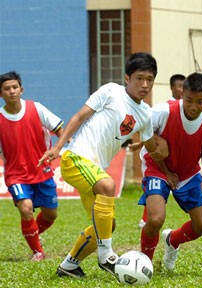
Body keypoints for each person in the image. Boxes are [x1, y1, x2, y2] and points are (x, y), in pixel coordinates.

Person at [38, 52, 166, 278]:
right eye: (139, 78)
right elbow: (79, 117)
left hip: (94, 169)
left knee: (107, 225)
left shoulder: (146, 113)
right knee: (108, 186)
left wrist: (162, 151)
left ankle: (69, 265)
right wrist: (58, 147)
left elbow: (150, 144)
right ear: (127, 78)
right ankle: (106, 257)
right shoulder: (111, 91)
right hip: (75, 158)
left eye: (150, 79)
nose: (145, 85)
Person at [138, 72, 202, 271]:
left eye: (200, 102)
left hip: (189, 173)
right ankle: (144, 263)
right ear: (182, 94)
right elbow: (144, 131)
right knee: (155, 218)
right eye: (189, 100)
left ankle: (172, 240)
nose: (193, 107)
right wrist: (162, 152)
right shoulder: (164, 111)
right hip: (157, 169)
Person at [0, 71, 64, 261]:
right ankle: (38, 251)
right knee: (26, 208)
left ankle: (34, 234)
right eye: (6, 89)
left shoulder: (36, 108)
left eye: (14, 87)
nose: (12, 91)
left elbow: (61, 129)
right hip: (16, 175)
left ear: (21, 89)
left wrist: (61, 149)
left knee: (51, 215)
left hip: (42, 171)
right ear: (1, 93)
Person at [138, 73, 186, 229]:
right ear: (172, 87)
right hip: (160, 160)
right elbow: (148, 131)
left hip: (179, 159)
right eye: (180, 86)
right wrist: (141, 144)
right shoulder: (163, 109)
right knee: (154, 189)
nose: (182, 90)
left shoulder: (190, 109)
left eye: (185, 86)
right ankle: (145, 219)